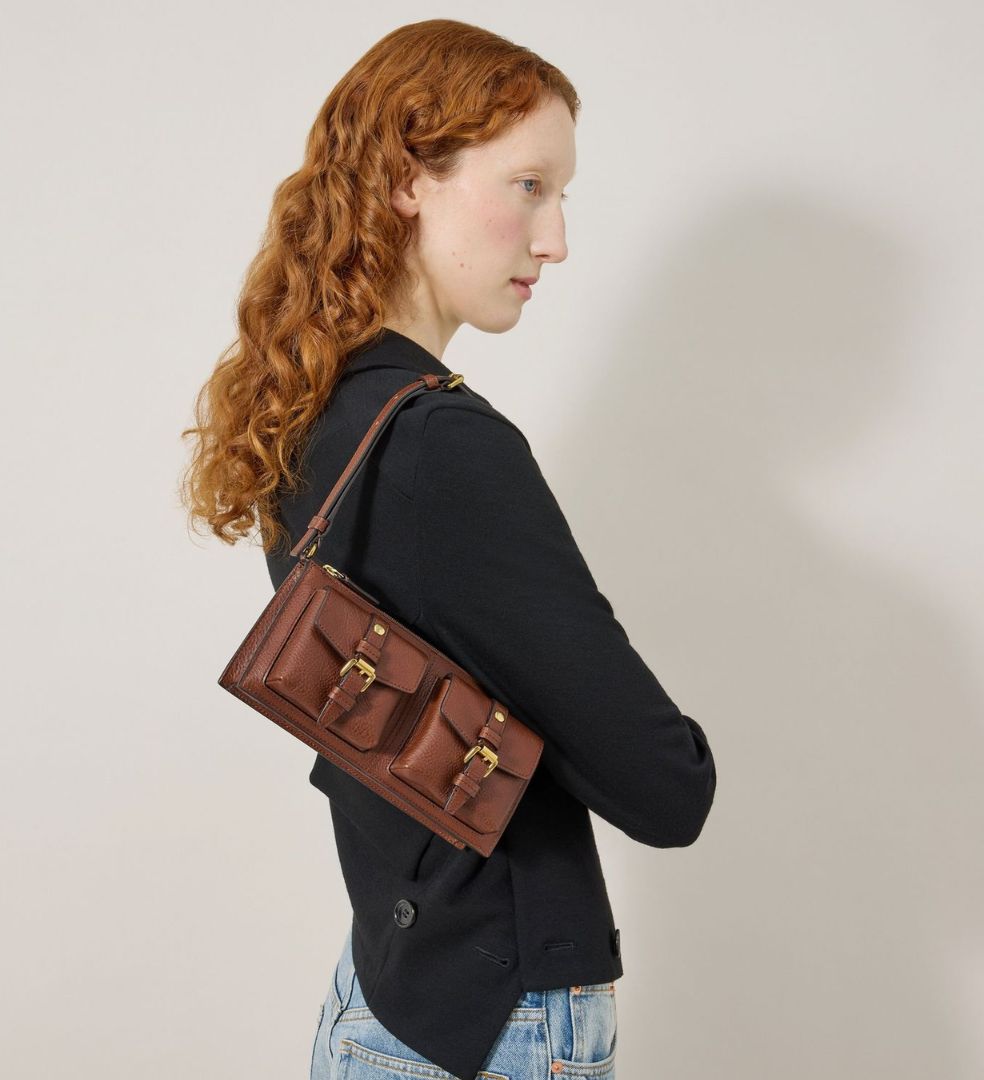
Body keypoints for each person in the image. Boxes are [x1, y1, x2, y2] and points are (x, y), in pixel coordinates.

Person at [180, 18, 717, 1080]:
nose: (555, 240)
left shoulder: (318, 409)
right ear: (405, 180)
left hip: (388, 990)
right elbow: (668, 789)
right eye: (529, 186)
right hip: (493, 1024)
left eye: (562, 196)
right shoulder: (442, 444)